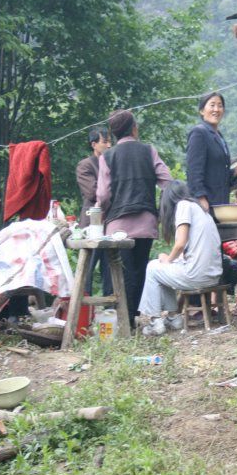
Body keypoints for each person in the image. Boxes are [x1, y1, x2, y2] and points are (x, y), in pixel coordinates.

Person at [97, 109, 172, 329]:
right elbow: (168, 182)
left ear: (113, 134)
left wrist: (102, 215)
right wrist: (160, 212)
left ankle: (121, 321)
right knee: (138, 271)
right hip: (146, 223)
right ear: (134, 129)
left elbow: (103, 195)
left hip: (117, 227)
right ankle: (131, 318)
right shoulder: (149, 151)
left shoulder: (107, 156)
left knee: (119, 273)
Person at [138, 181, 222, 336]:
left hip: (196, 275)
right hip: (213, 276)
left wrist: (168, 259)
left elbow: (180, 243)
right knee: (162, 270)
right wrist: (169, 261)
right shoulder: (200, 209)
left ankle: (155, 321)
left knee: (152, 267)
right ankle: (173, 318)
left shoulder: (183, 206)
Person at [185, 92, 237, 213]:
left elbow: (217, 175)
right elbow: (193, 171)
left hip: (220, 203)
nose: (216, 109)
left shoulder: (219, 136)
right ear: (202, 111)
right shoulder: (199, 133)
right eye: (212, 105)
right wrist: (200, 197)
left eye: (220, 106)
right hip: (205, 204)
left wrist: (234, 173)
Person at [76, 126, 112, 296]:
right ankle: (83, 307)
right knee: (87, 268)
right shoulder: (86, 165)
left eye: (110, 141)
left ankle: (110, 306)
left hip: (110, 223)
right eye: (105, 142)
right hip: (92, 222)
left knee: (110, 267)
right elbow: (92, 193)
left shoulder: (112, 163)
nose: (109, 145)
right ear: (94, 144)